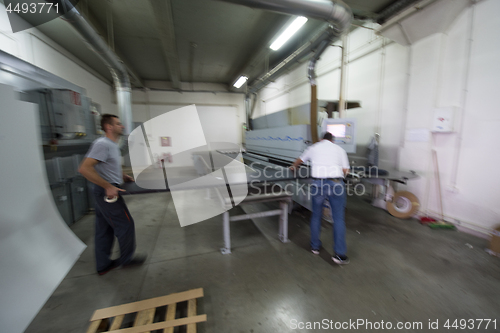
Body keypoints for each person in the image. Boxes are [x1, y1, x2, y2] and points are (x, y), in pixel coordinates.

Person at [79, 114, 146, 275]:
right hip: (106, 192)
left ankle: (103, 265)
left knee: (104, 229)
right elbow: (84, 168)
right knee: (126, 224)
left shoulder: (112, 145)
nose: (121, 126)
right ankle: (126, 260)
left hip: (106, 189)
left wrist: (122, 175)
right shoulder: (102, 144)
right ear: (109, 127)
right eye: (118, 124)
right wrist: (108, 186)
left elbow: (107, 164)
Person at [290, 132, 350, 264]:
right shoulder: (340, 149)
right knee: (338, 218)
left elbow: (299, 161)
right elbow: (346, 171)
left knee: (316, 215)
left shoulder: (314, 147)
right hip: (336, 183)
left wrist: (294, 167)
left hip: (318, 184)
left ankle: (315, 247)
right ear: (332, 141)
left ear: (321, 139)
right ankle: (340, 255)